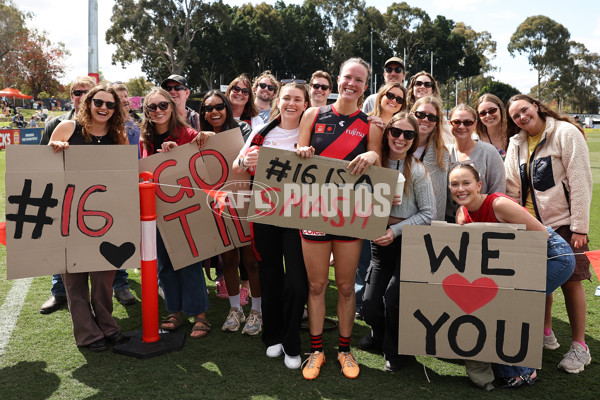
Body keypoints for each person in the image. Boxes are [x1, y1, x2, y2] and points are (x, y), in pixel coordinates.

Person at [449, 162, 575, 388]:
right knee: (499, 302)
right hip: (520, 262)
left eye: (466, 183)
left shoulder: (498, 204)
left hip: (553, 256)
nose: (460, 189)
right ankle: (504, 363)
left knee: (511, 304)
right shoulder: (462, 213)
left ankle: (525, 372)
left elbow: (541, 236)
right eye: (454, 184)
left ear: (478, 185)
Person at [296, 57, 382, 380]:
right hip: (315, 210)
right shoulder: (312, 114)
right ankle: (316, 351)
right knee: (317, 285)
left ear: (365, 85)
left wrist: (374, 154)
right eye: (348, 77)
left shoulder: (371, 124)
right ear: (338, 79)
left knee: (346, 287)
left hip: (351, 215)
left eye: (359, 80)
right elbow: (298, 159)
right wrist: (301, 152)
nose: (352, 84)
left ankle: (344, 351)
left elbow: (375, 162)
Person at [505, 94, 593, 374]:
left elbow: (580, 178)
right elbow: (511, 186)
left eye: (524, 110)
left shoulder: (564, 132)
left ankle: (580, 347)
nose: (521, 117)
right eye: (515, 115)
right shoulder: (516, 142)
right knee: (536, 280)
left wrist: (580, 226)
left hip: (564, 222)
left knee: (571, 282)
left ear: (536, 107)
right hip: (530, 225)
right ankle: (546, 334)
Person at [231, 82, 310, 369]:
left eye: (297, 99)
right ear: (278, 100)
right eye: (286, 97)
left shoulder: (310, 130)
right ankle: (273, 335)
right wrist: (246, 159)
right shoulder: (262, 131)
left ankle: (292, 341)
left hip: (301, 213)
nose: (291, 103)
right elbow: (237, 166)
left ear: (305, 103)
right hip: (265, 211)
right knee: (270, 274)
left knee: (297, 280)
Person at [39, 76, 133, 314]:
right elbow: (42, 168)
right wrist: (55, 151)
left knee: (103, 270)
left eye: (110, 105)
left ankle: (107, 317)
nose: (104, 108)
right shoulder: (65, 126)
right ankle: (76, 315)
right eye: (98, 102)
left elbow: (123, 172)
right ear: (87, 102)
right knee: (73, 271)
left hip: (105, 212)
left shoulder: (117, 134)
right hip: (69, 210)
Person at [361, 112, 434, 372]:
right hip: (379, 241)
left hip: (409, 242)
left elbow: (428, 214)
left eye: (408, 134)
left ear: (414, 139)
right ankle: (379, 336)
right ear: (387, 132)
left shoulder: (417, 170)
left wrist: (396, 230)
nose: (401, 138)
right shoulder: (373, 163)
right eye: (396, 132)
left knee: (393, 299)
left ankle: (396, 352)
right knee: (369, 305)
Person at [139, 87, 210, 339]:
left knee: (189, 261)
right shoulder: (144, 138)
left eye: (162, 105)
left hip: (184, 209)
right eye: (152, 107)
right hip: (154, 210)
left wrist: (180, 149)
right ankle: (174, 311)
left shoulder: (187, 133)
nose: (157, 111)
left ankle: (199, 315)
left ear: (171, 107)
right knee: (165, 264)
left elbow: (207, 148)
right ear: (146, 112)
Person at [196, 90, 263, 336]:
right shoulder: (199, 137)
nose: (214, 112)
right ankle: (235, 309)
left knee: (251, 260)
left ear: (226, 107)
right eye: (208, 108)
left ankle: (257, 311)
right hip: (217, 206)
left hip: (245, 201)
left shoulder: (245, 130)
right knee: (228, 261)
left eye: (218, 107)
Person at [445, 104, 505, 222]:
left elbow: (498, 191)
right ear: (449, 123)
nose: (461, 126)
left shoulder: (489, 152)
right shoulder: (444, 153)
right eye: (456, 122)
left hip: (482, 220)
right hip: (448, 221)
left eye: (467, 122)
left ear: (475, 124)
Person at [410, 96, 450, 220]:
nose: (425, 120)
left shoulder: (442, 153)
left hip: (428, 223)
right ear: (412, 115)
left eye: (432, 117)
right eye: (420, 114)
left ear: (437, 122)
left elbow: (440, 196)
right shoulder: (397, 143)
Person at [475, 93, 511, 160]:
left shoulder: (515, 132)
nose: (488, 115)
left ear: (500, 109)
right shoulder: (477, 140)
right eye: (482, 113)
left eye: (492, 110)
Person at [113, 82, 141, 159]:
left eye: (126, 96)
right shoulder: (113, 124)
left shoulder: (138, 120)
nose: (124, 100)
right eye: (120, 98)